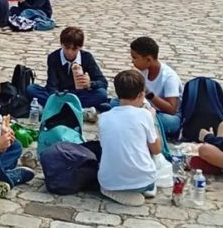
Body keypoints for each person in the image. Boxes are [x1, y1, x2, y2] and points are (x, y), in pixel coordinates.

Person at [97, 69, 161, 206]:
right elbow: (156, 149)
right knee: (150, 143)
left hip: (109, 181)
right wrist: (153, 121)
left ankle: (115, 188)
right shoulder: (145, 115)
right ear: (141, 95)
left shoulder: (103, 117)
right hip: (144, 182)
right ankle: (145, 188)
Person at [26, 26, 109, 113]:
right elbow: (52, 84)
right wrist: (56, 95)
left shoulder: (86, 57)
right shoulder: (54, 57)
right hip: (59, 93)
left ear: (80, 47)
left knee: (102, 94)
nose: (70, 52)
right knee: (31, 89)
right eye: (67, 48)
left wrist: (90, 84)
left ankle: (58, 108)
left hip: (78, 94)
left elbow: (103, 82)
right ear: (61, 44)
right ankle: (74, 109)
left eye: (74, 49)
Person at [127, 36, 182, 136]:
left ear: (148, 59)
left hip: (166, 116)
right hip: (147, 111)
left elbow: (171, 109)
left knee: (170, 123)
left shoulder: (169, 77)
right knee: (116, 102)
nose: (132, 61)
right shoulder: (143, 72)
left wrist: (148, 94)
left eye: (135, 58)